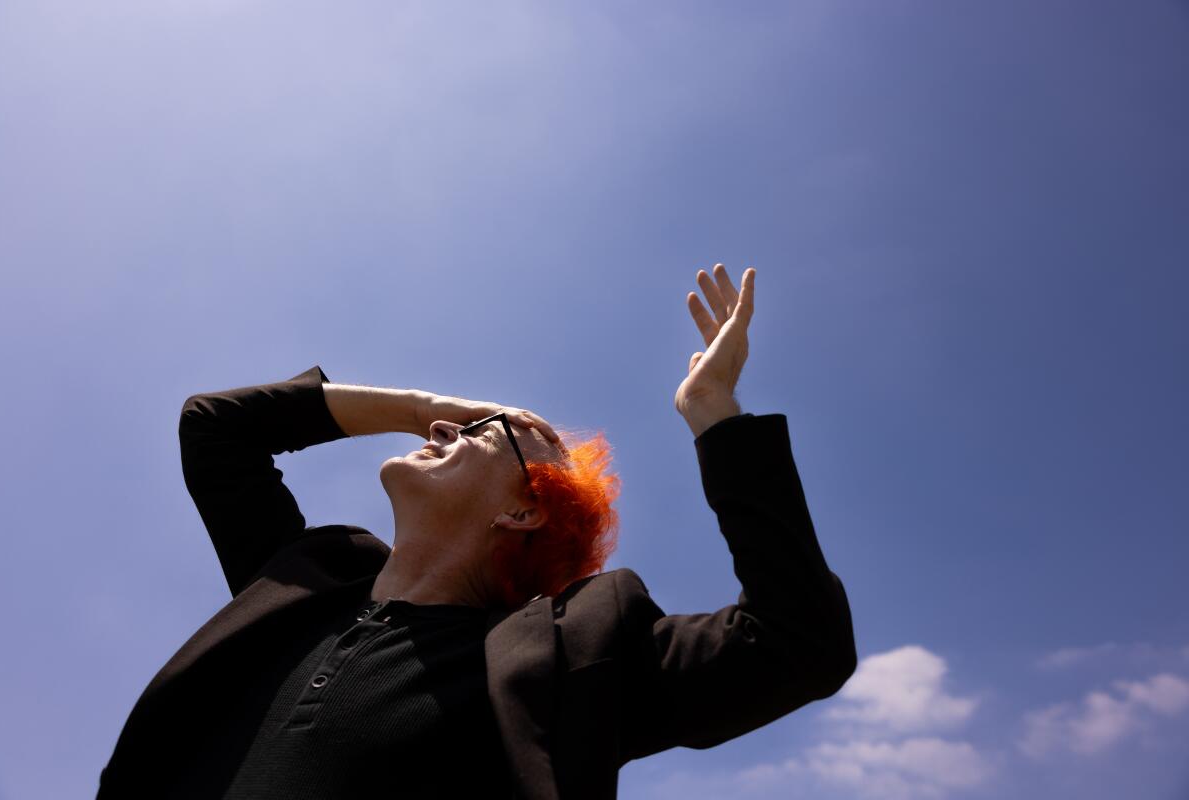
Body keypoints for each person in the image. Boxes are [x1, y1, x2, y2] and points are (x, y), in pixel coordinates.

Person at [97, 264, 857, 799]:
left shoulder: (564, 660)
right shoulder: (304, 585)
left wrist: (716, 417)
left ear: (522, 510)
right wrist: (434, 405)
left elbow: (800, 643)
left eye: (485, 434)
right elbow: (215, 428)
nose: (441, 428)